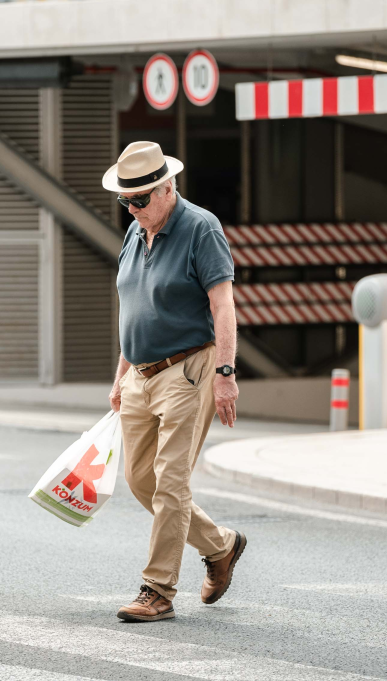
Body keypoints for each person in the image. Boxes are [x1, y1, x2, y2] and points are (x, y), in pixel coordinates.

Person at [103, 141, 246, 623]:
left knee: (170, 481)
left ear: (168, 187)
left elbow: (222, 305)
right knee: (139, 478)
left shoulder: (200, 228)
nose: (133, 209)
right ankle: (221, 546)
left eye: (141, 199)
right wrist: (122, 374)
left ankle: (157, 589)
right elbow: (134, 305)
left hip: (189, 369)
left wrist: (225, 374)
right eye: (126, 201)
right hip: (141, 373)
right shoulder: (135, 231)